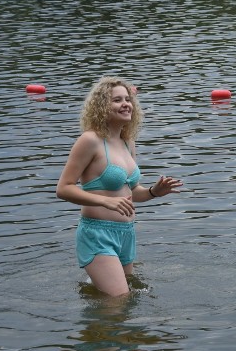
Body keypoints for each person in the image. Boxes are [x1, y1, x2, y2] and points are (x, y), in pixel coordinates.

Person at [57, 77, 183, 296]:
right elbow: (64, 188)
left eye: (128, 99)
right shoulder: (90, 140)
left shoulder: (127, 142)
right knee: (119, 301)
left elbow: (131, 192)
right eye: (117, 100)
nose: (126, 104)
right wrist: (105, 201)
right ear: (102, 106)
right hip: (98, 232)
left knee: (125, 303)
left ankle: (93, 308)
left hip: (125, 234)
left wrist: (153, 192)